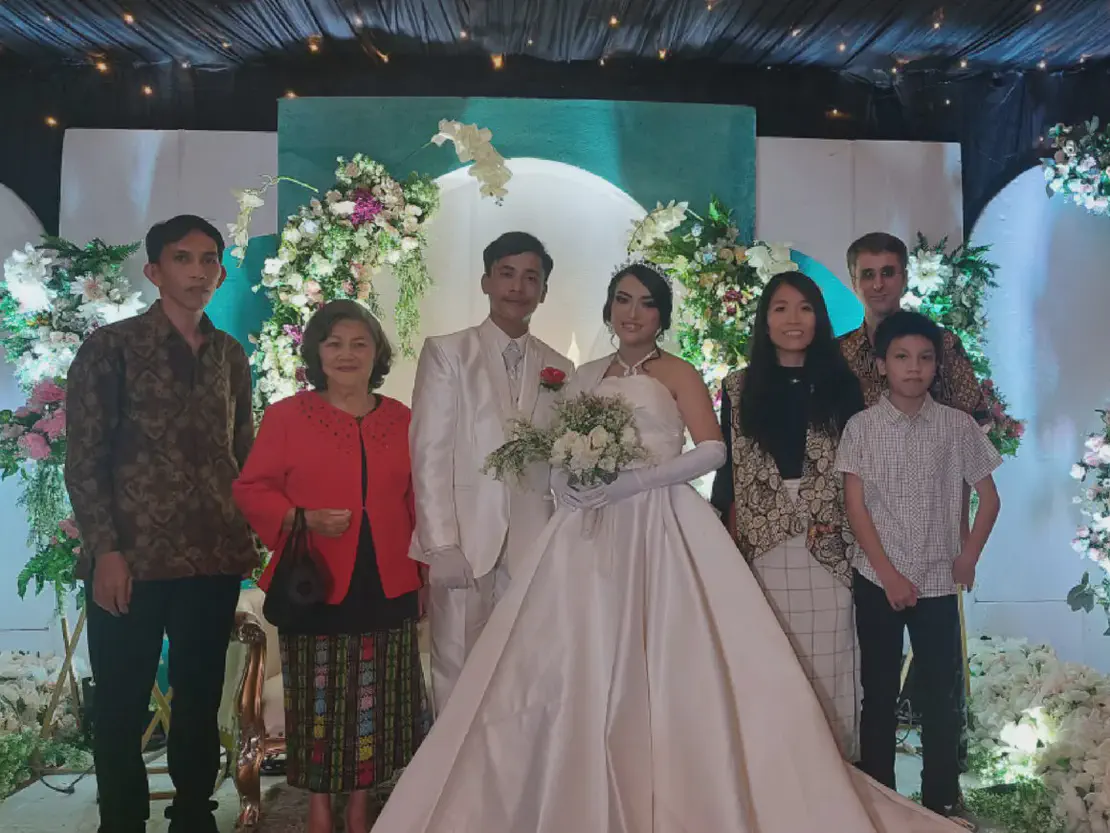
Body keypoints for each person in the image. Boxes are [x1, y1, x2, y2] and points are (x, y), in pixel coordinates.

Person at [371, 262, 969, 833]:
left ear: (662, 315)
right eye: (623, 301)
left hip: (660, 522)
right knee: (572, 652)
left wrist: (637, 481)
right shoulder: (582, 374)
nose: (633, 313)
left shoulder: (679, 372)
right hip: (584, 531)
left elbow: (712, 449)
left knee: (670, 653)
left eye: (647, 303)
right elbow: (555, 445)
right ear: (609, 310)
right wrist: (565, 481)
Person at [65, 215, 257, 833]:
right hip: (132, 559)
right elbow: (85, 458)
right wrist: (105, 551)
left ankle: (194, 815)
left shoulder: (229, 354)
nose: (199, 271)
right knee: (121, 704)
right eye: (183, 258)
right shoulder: (110, 348)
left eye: (209, 260)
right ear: (154, 270)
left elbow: (243, 452)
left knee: (199, 698)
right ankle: (121, 821)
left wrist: (253, 536)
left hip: (212, 556)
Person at [233, 300, 429, 833]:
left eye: (359, 344)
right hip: (314, 585)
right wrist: (302, 518)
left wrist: (426, 576)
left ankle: (361, 805)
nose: (347, 354)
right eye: (335, 343)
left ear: (376, 354)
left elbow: (420, 500)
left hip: (388, 581)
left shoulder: (403, 420)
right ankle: (320, 807)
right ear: (316, 352)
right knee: (320, 703)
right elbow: (251, 488)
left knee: (376, 702)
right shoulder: (287, 416)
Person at [836, 311, 1002, 830]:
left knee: (940, 694)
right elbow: (856, 507)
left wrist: (968, 555)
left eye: (925, 358)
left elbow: (989, 498)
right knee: (879, 692)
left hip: (935, 581)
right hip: (877, 580)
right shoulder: (861, 428)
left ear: (937, 365)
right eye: (902, 357)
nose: (914, 368)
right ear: (881, 365)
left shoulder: (957, 426)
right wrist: (887, 575)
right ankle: (880, 798)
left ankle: (941, 801)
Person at [409, 231, 573, 713]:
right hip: (464, 540)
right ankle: (451, 762)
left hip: (532, 540)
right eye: (506, 274)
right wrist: (440, 543)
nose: (517, 287)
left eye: (530, 278)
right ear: (486, 281)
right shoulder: (448, 352)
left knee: (526, 666)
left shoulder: (560, 367)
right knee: (456, 667)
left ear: (543, 291)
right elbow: (430, 452)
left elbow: (559, 460)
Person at [711, 270, 865, 758]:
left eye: (804, 308)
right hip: (763, 539)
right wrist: (723, 540)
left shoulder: (843, 386)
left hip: (830, 541)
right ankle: (774, 767)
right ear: (765, 320)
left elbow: (860, 470)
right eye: (780, 308)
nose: (793, 319)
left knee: (830, 659)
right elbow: (728, 471)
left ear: (819, 318)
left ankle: (835, 767)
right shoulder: (738, 387)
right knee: (769, 658)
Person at [839, 232, 989, 421]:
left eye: (887, 273)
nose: (878, 285)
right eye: (868, 275)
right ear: (854, 283)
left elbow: (976, 422)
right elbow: (826, 427)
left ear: (905, 278)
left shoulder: (944, 344)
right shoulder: (839, 353)